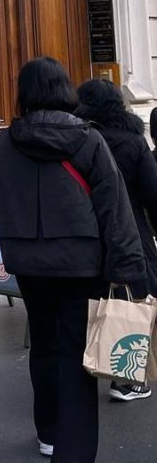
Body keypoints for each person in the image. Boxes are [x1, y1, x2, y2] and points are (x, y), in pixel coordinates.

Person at [0, 57, 146, 463]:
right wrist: (131, 270)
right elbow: (115, 209)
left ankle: (48, 432)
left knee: (45, 344)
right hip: (78, 262)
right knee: (75, 354)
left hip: (28, 261)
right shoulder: (87, 139)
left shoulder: (4, 143)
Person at [76, 78, 157, 402]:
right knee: (132, 303)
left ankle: (90, 364)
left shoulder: (79, 141)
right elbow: (153, 194)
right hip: (131, 233)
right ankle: (126, 379)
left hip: (88, 235)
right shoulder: (133, 142)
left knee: (94, 303)